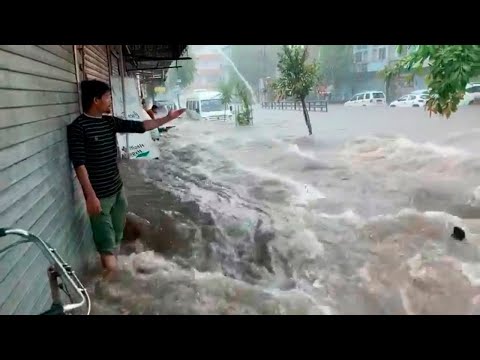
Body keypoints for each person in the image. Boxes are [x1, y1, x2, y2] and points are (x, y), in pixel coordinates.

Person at [67, 80, 185, 280]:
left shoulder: (108, 122)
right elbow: (79, 165)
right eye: (107, 97)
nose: (110, 101)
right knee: (106, 245)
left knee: (116, 238)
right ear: (96, 100)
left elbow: (141, 126)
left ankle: (117, 282)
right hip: (99, 198)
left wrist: (166, 119)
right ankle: (111, 286)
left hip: (117, 191)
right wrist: (90, 197)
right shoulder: (78, 128)